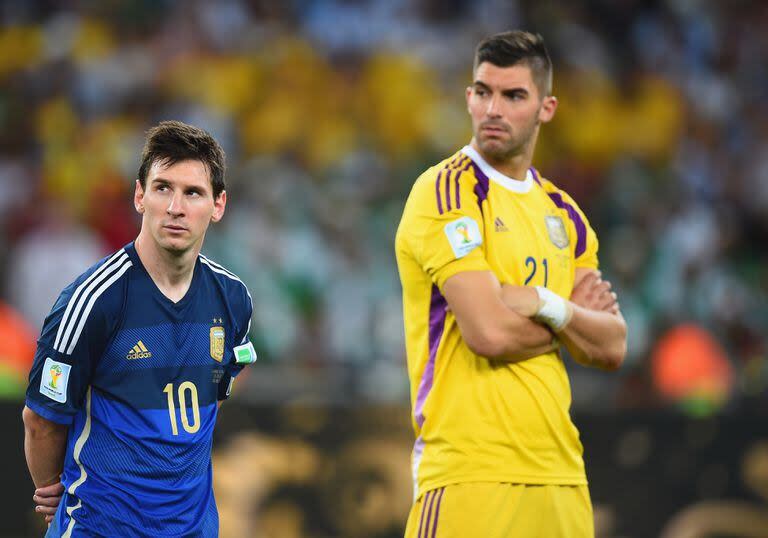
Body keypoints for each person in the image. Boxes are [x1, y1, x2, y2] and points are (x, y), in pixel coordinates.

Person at [395, 31, 627, 537]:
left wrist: (548, 304)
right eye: (483, 92)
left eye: (513, 95)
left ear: (546, 108)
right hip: (470, 475)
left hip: (562, 475)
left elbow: (612, 346)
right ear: (468, 98)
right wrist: (570, 322)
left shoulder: (565, 215)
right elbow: (489, 334)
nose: (493, 108)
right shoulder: (447, 190)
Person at [22, 120, 257, 537]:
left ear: (218, 205)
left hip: (194, 529)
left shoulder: (233, 298)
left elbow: (220, 389)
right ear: (139, 196)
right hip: (101, 527)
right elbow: (42, 420)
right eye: (163, 188)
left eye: (193, 192)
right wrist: (50, 488)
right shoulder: (92, 301)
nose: (175, 207)